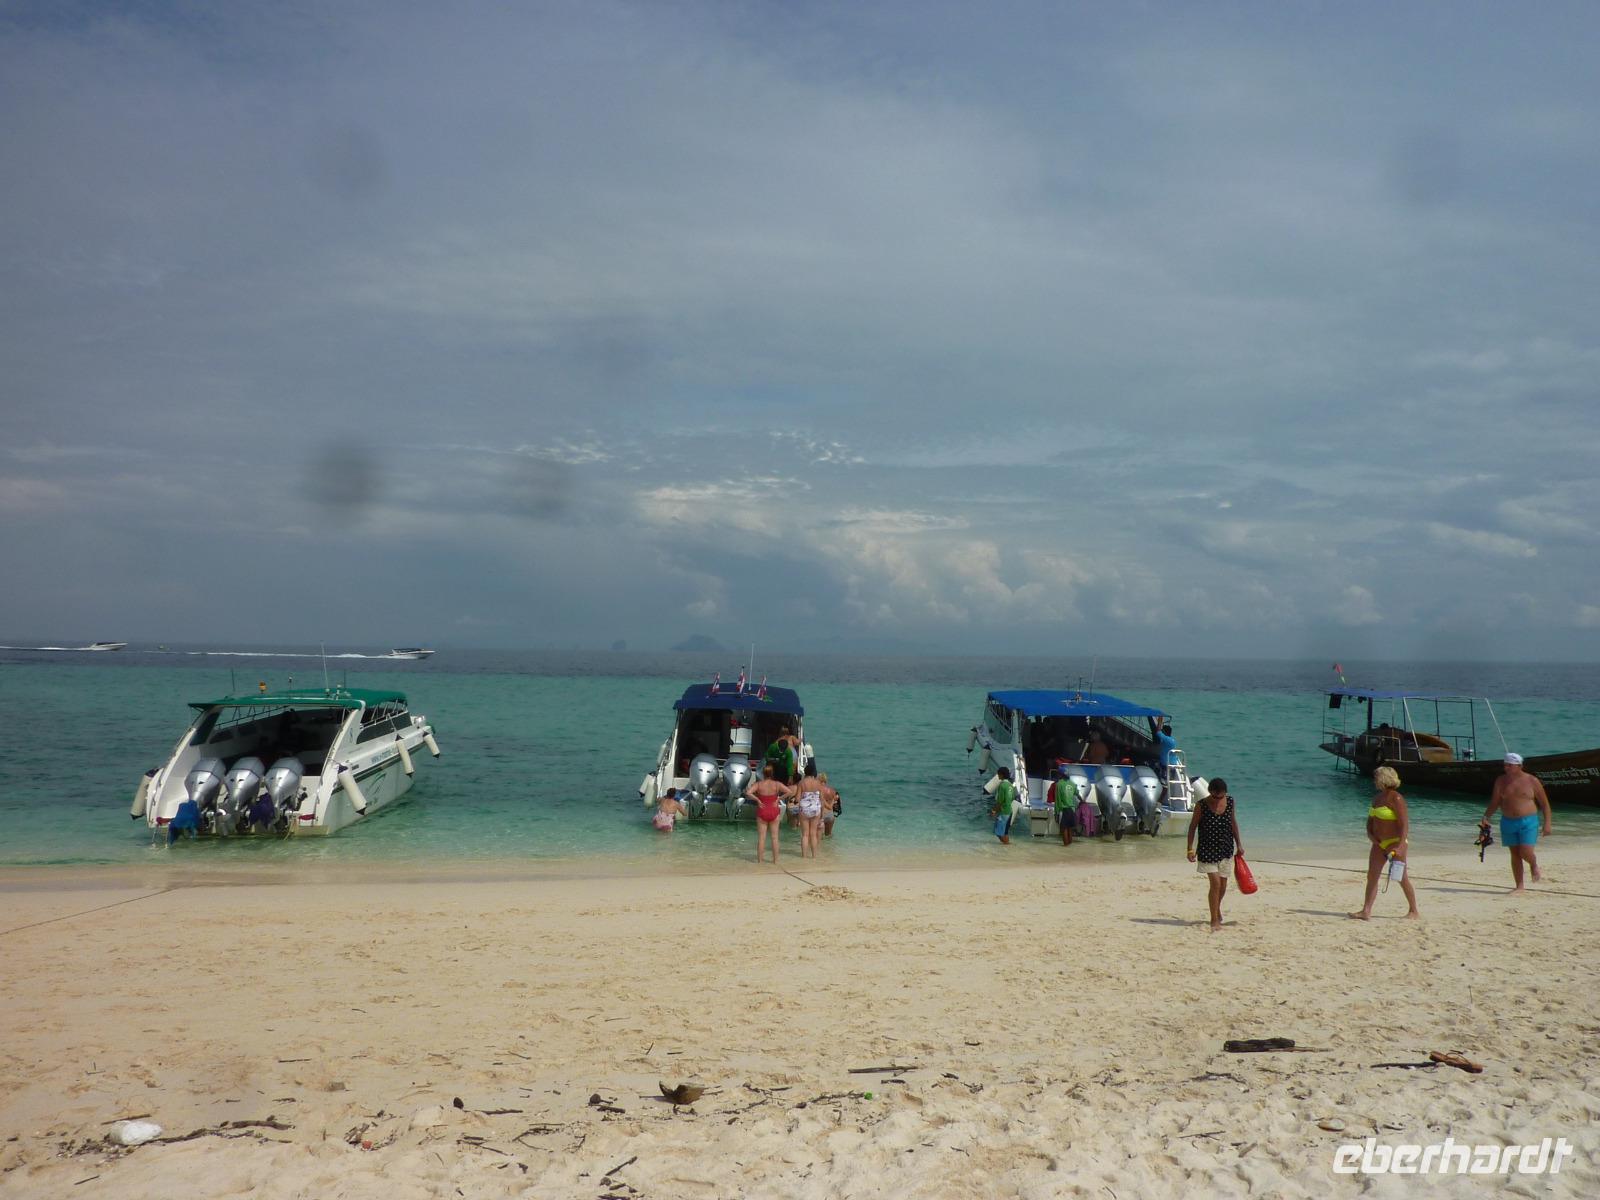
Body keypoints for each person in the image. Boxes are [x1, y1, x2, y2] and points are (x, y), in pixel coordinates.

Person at [1349, 766, 1420, 920]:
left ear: (1384, 779)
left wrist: (1401, 846)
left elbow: (1404, 825)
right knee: (1372, 876)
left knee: (1401, 877)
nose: (1374, 780)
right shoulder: (1377, 798)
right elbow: (1370, 821)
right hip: (1378, 843)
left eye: (1376, 777)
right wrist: (1370, 834)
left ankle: (1414, 910)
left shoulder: (1396, 798)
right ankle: (1366, 911)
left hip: (1395, 843)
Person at [1482, 752, 1552, 893]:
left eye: (1510, 765)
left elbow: (1545, 804)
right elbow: (1495, 802)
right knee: (1515, 854)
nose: (1506, 768)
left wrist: (1547, 823)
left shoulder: (1532, 780)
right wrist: (1486, 817)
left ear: (1519, 766)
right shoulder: (1501, 780)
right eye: (1505, 765)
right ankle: (1519, 886)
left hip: (1528, 821)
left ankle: (1533, 864)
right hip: (1507, 821)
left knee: (1525, 851)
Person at [1186, 777, 1243, 932]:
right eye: (1215, 796)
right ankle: (1214, 920)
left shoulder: (1230, 802)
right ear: (1210, 792)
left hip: (1225, 849)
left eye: (1221, 796)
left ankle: (1216, 908)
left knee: (1223, 886)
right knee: (1216, 884)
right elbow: (1192, 827)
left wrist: (1239, 844)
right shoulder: (1201, 805)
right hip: (1207, 850)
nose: (1218, 800)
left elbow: (1233, 822)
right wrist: (1190, 849)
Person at [744, 765, 793, 863]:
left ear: (763, 774)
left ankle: (760, 861)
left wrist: (758, 800)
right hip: (774, 810)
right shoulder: (777, 784)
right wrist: (778, 799)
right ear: (772, 773)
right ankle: (775, 861)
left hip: (762, 810)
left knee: (762, 838)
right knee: (775, 838)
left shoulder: (759, 784)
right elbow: (789, 792)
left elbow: (748, 793)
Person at [794, 763, 827, 858]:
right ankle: (814, 857)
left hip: (804, 809)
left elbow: (797, 799)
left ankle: (804, 857)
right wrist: (822, 814)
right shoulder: (818, 783)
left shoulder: (801, 783)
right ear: (813, 773)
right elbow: (822, 799)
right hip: (816, 808)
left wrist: (795, 800)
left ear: (805, 772)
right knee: (813, 834)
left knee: (805, 835)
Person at [1049, 768, 1077, 846]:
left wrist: (1056, 812)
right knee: (1070, 828)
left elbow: (1057, 799)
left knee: (1063, 828)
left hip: (1064, 809)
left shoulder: (1059, 784)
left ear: (1060, 775)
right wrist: (1082, 801)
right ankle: (1070, 846)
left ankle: (1065, 846)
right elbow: (1076, 793)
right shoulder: (1072, 784)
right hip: (1072, 809)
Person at [990, 767, 1016, 845]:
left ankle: (1007, 845)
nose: (998, 775)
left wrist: (994, 810)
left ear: (1001, 775)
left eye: (998, 774)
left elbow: (1000, 801)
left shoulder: (1002, 786)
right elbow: (1012, 798)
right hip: (1009, 811)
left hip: (1004, 812)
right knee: (1005, 832)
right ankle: (1007, 846)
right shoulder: (1010, 785)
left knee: (999, 833)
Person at [819, 771, 841, 837]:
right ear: (826, 780)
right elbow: (838, 801)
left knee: (820, 836)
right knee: (829, 835)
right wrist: (831, 803)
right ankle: (831, 844)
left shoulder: (817, 790)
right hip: (830, 815)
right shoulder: (832, 790)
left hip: (821, 815)